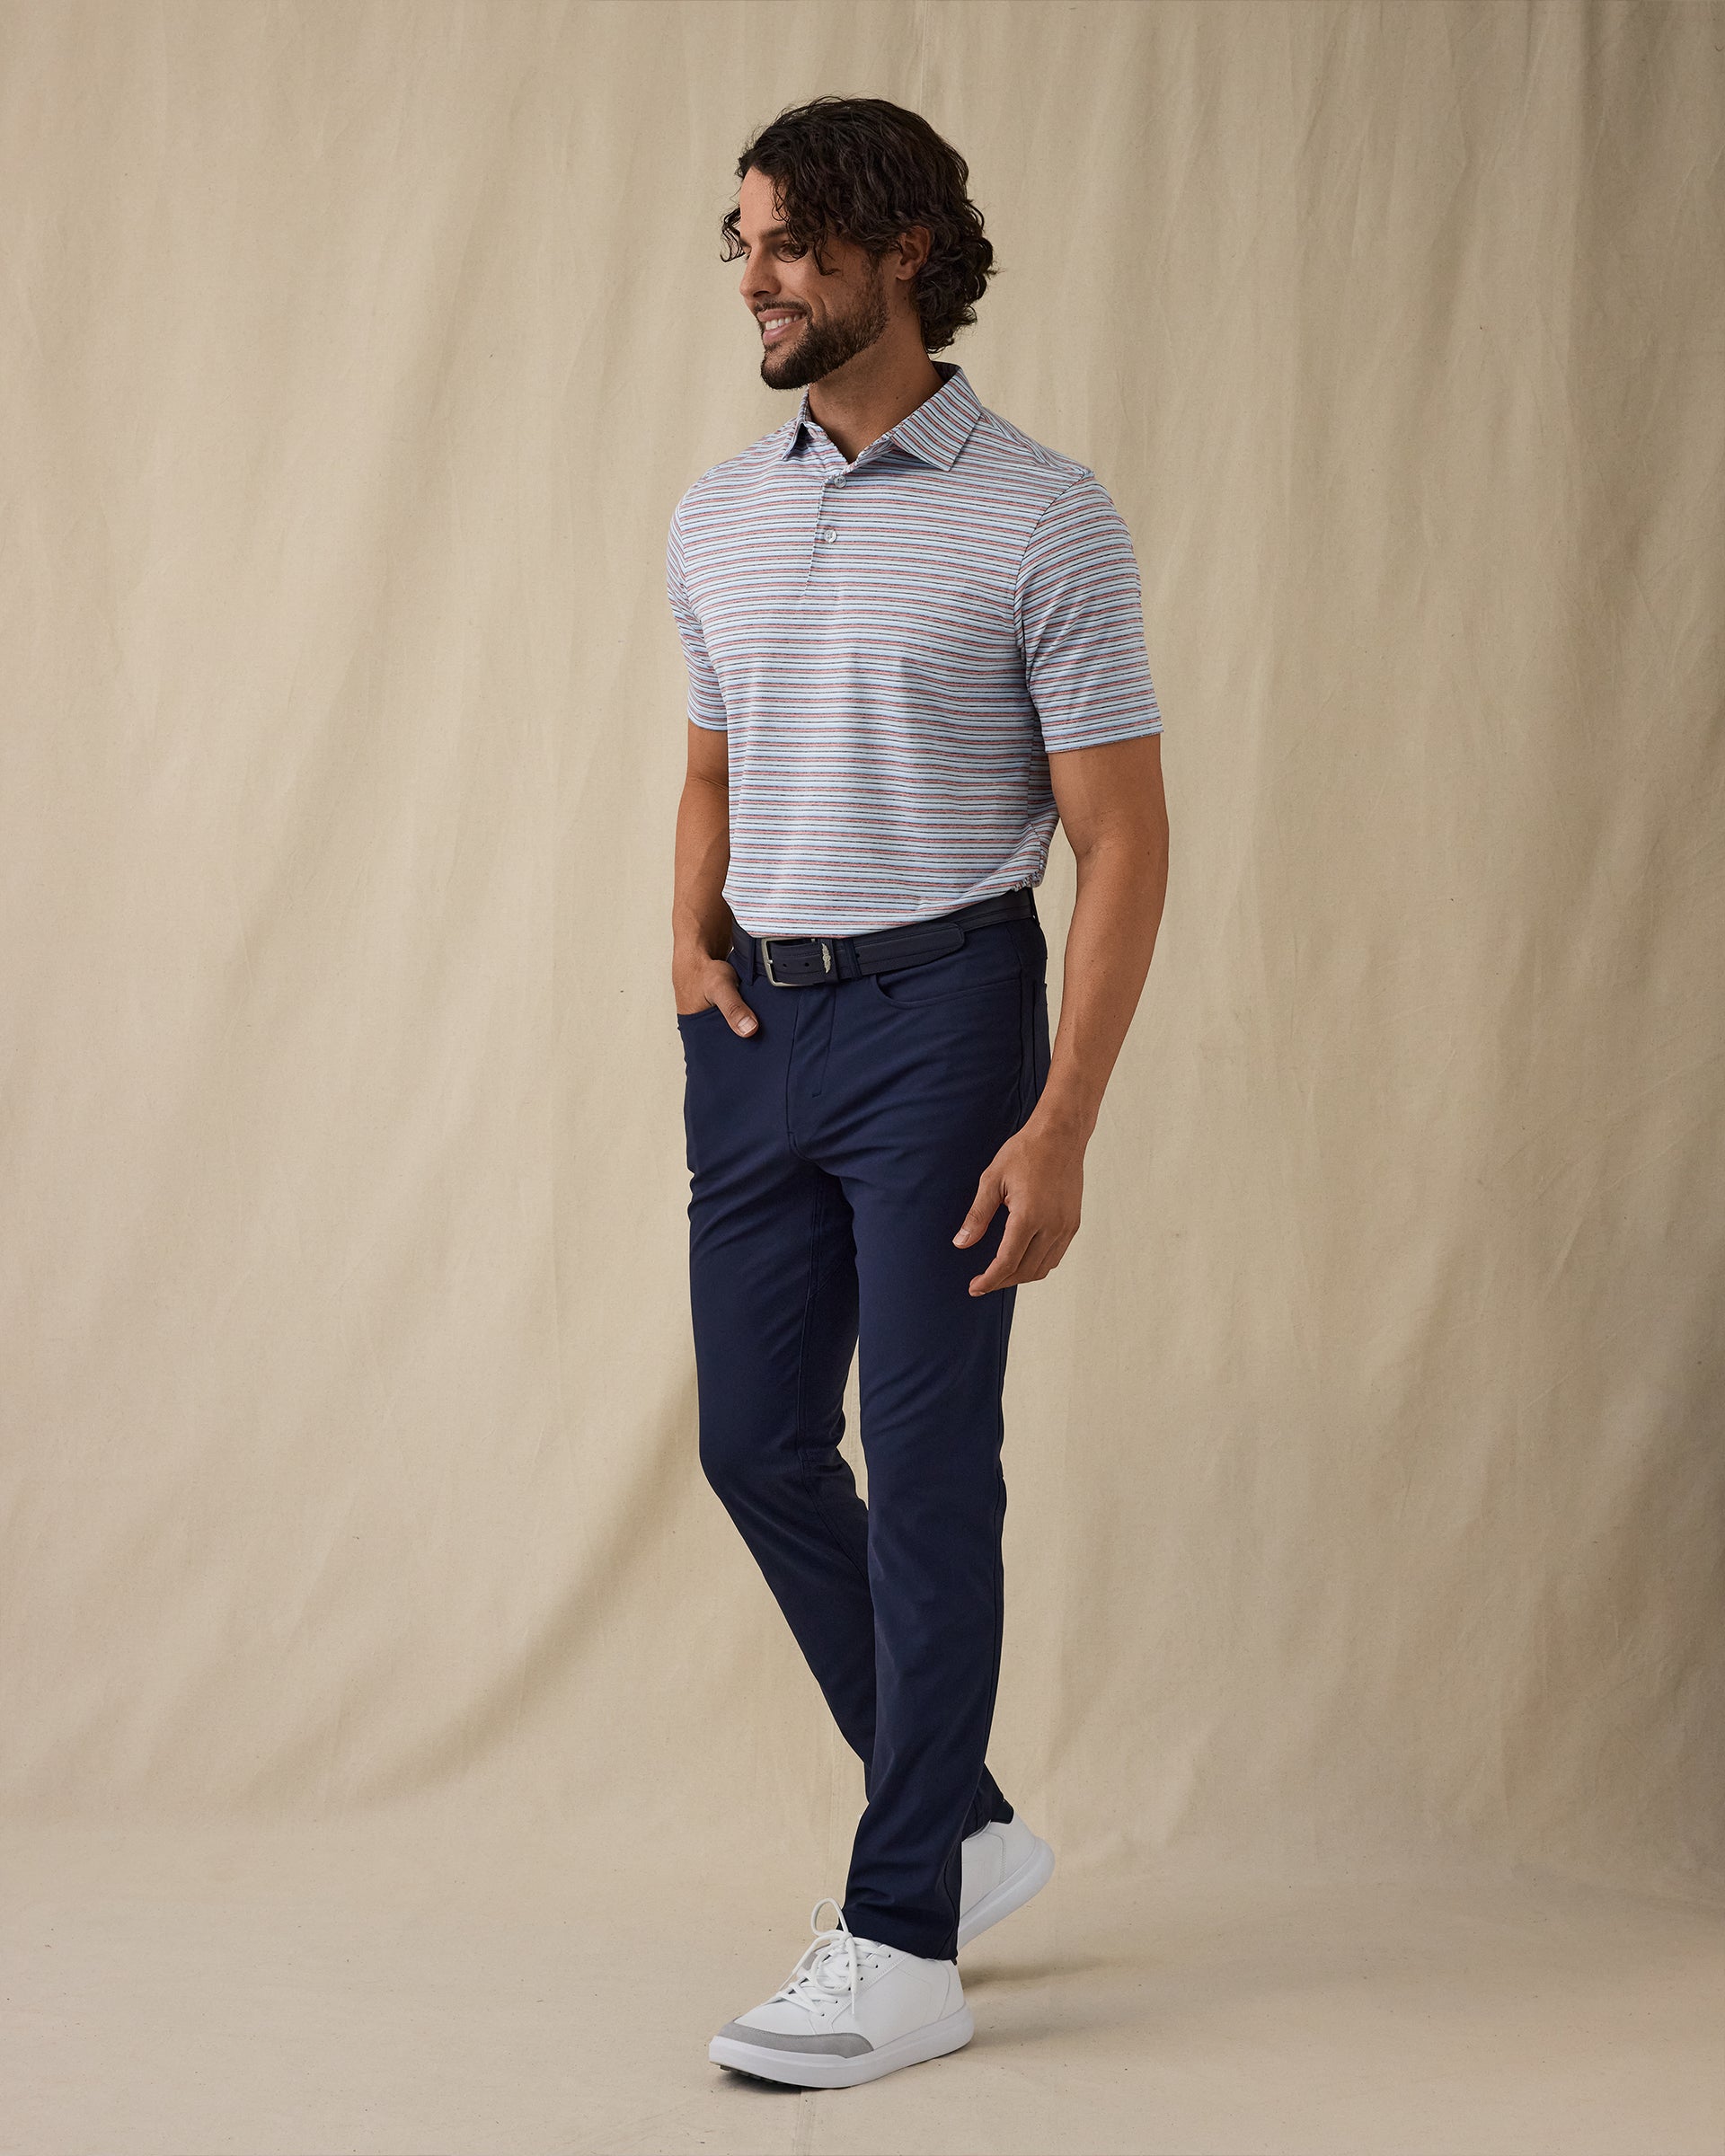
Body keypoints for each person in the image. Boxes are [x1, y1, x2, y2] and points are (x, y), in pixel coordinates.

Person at [665, 93, 1169, 2091]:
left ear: (903, 254)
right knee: (756, 1446)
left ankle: (904, 1941)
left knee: (932, 1469)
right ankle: (955, 1816)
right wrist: (685, 943)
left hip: (949, 1024)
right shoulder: (719, 511)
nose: (759, 278)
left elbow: (1122, 840)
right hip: (755, 1034)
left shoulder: (1046, 516)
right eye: (744, 241)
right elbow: (712, 762)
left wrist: (1066, 1121)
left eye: (795, 242)